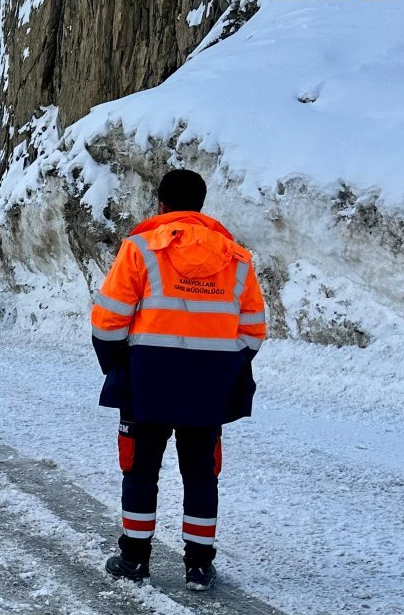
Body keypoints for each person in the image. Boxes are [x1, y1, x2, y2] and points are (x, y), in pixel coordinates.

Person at [90, 169, 267, 591]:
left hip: (147, 381)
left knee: (139, 471)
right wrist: (222, 367)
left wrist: (118, 363)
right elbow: (254, 329)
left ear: (162, 206)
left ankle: (134, 561)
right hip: (207, 387)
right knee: (202, 474)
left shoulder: (140, 249)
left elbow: (109, 320)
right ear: (201, 205)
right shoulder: (238, 258)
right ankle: (200, 567)